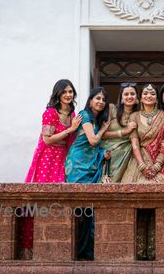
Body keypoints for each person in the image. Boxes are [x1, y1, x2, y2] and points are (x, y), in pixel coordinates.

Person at [20, 79, 82, 259]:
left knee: (62, 199)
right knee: (43, 199)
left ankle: (59, 246)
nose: (68, 95)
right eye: (65, 92)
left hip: (63, 157)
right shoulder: (50, 113)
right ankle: (31, 248)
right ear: (58, 94)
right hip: (48, 158)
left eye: (71, 91)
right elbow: (47, 139)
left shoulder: (72, 115)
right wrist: (70, 130)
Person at [65, 87, 110, 261]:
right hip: (78, 165)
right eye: (97, 98)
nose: (100, 102)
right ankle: (75, 250)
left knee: (89, 209)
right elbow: (92, 140)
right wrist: (103, 130)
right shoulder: (84, 114)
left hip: (90, 165)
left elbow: (95, 145)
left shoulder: (95, 120)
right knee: (79, 207)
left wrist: (103, 153)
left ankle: (84, 251)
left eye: (103, 99)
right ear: (90, 100)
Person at [121, 84, 164, 183]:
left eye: (152, 93)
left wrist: (157, 166)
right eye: (145, 93)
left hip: (160, 160)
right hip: (139, 159)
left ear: (156, 99)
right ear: (141, 99)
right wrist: (142, 166)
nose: (148, 95)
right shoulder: (134, 116)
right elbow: (135, 145)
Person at [100, 83, 139, 183]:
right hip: (109, 154)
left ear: (137, 98)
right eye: (126, 94)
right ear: (121, 98)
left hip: (128, 155)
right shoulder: (112, 109)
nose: (129, 96)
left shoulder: (139, 115)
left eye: (132, 94)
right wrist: (124, 132)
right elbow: (102, 134)